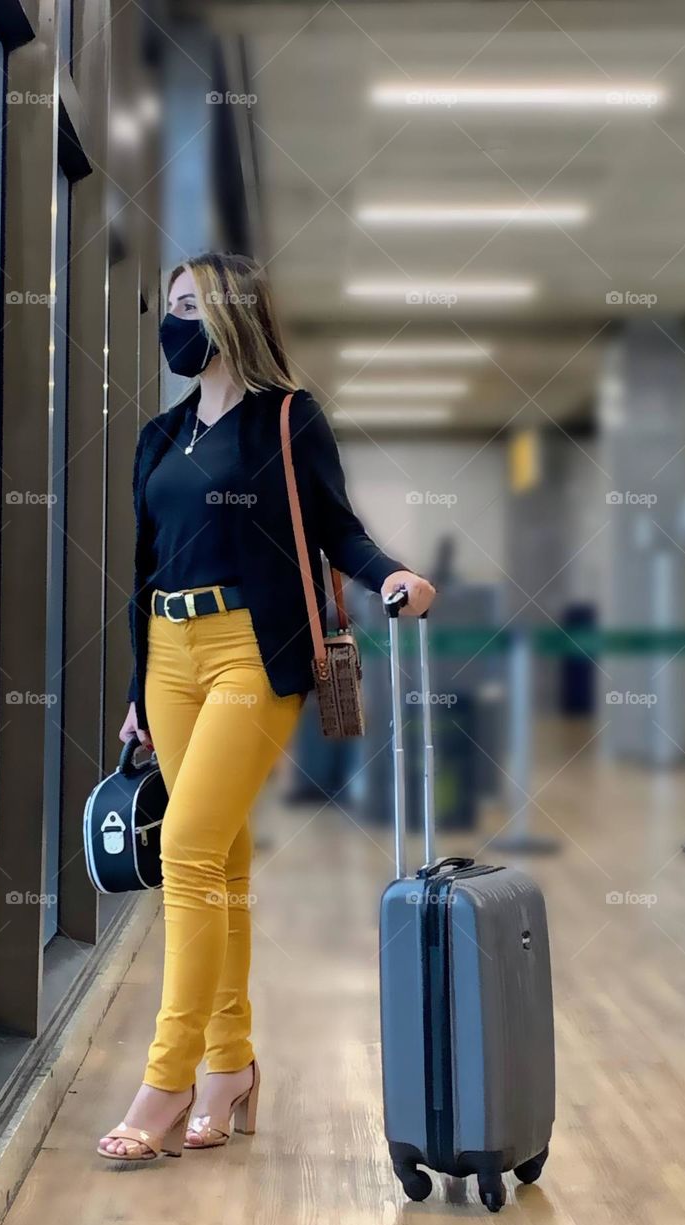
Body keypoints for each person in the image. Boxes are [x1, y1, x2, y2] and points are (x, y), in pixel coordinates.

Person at [97, 252, 435, 1161]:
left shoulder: (287, 419)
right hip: (168, 654)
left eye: (188, 306)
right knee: (224, 867)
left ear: (231, 316)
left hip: (254, 651)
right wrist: (137, 688)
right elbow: (147, 566)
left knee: (188, 849)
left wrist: (392, 575)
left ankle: (165, 1083)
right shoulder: (161, 438)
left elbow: (337, 528)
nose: (172, 321)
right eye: (167, 306)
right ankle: (230, 1067)